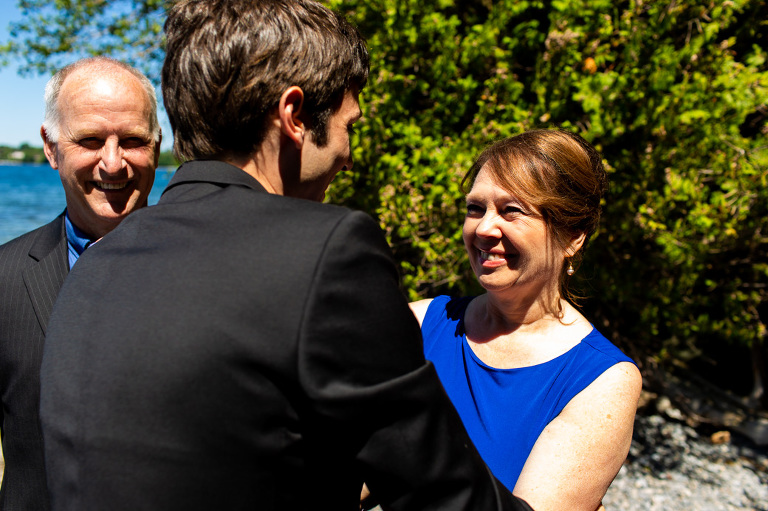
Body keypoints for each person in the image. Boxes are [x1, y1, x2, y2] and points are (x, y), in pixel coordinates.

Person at [38, 1, 533, 510]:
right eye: (348, 126)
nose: (347, 156)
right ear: (294, 116)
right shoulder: (328, 252)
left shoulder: (95, 263)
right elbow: (446, 496)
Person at [409, 130, 643, 511]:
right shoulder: (418, 325)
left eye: (511, 210)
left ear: (573, 235)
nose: (483, 228)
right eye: (475, 208)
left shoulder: (602, 382)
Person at [0, 57, 161, 510]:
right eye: (90, 140)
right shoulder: (4, 278)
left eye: (132, 141)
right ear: (51, 149)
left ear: (157, 146)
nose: (113, 163)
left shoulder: (210, 270)